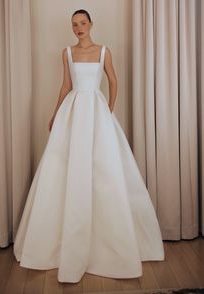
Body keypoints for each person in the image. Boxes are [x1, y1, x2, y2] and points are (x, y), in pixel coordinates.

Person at [13, 9, 165, 283]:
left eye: (83, 23)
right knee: (65, 166)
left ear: (91, 24)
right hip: (73, 110)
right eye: (74, 25)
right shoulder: (67, 53)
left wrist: (108, 109)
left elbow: (113, 80)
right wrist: (55, 113)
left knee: (104, 170)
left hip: (96, 110)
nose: (78, 28)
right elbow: (65, 86)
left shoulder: (104, 51)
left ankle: (108, 244)